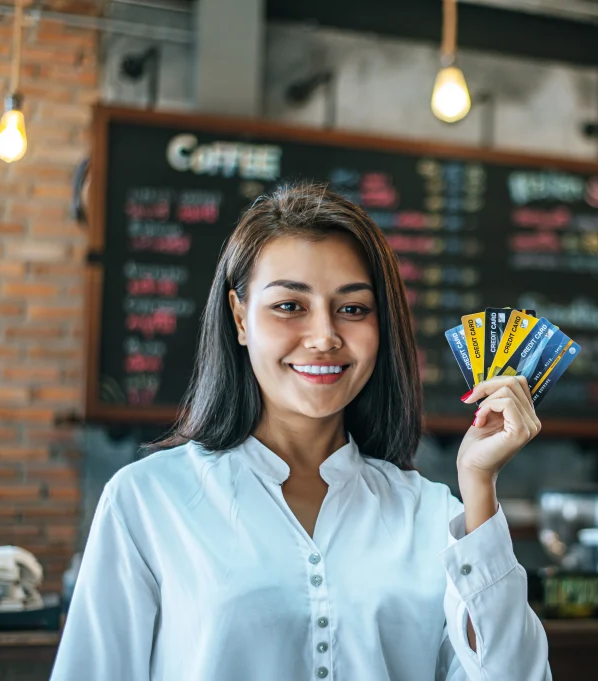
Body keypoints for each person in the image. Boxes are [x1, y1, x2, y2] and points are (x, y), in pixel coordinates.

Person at [51, 183, 552, 680]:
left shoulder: (436, 515)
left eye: (353, 309)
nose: (324, 337)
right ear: (239, 317)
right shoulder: (146, 502)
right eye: (290, 306)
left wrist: (479, 486)